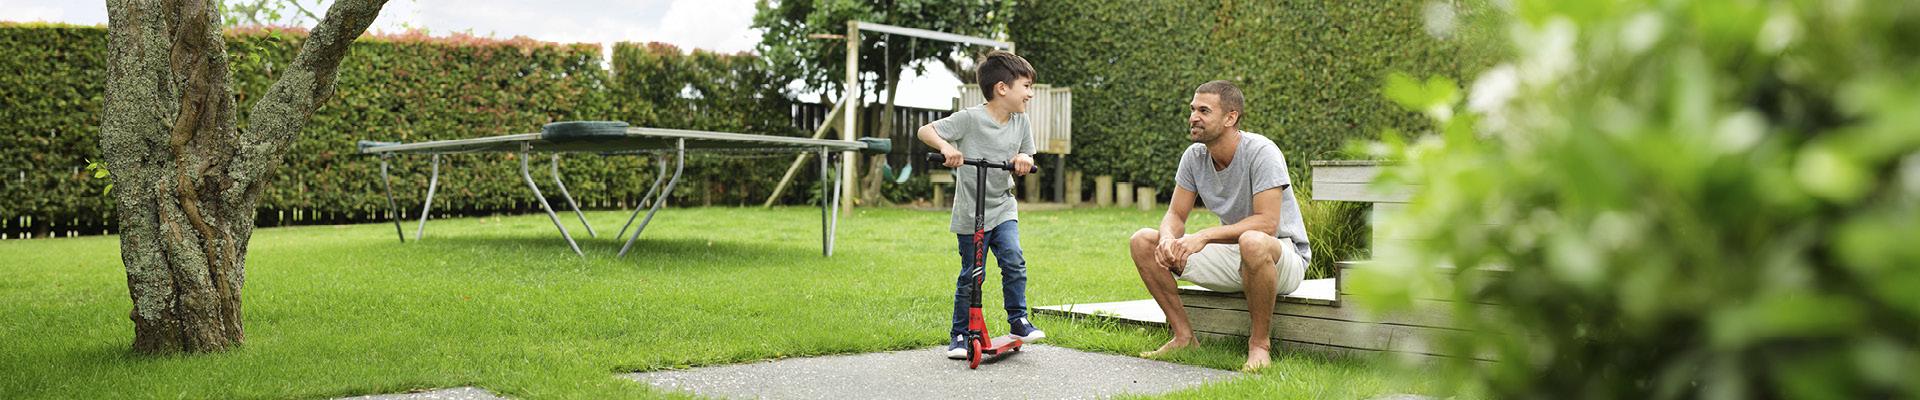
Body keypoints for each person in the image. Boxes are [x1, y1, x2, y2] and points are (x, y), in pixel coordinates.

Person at [1127, 80, 1311, 371]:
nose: (1193, 117)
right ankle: (1183, 336)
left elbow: (1267, 222)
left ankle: (1259, 345)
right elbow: (1175, 215)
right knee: (1142, 241)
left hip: (1281, 256)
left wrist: (1204, 236)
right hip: (1235, 256)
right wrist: (1166, 240)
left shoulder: (1262, 152)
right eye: (1192, 109)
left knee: (1252, 240)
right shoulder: (1194, 157)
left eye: (1203, 110)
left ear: (1230, 117)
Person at [916, 50, 1045, 360]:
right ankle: (960, 334)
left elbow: (1028, 154)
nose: (1030, 94)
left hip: (1003, 207)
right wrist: (947, 147)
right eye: (1026, 86)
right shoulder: (969, 119)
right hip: (969, 211)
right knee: (972, 274)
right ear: (1003, 88)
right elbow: (925, 131)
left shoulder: (1020, 122)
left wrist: (1024, 159)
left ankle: (1018, 320)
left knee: (1013, 260)